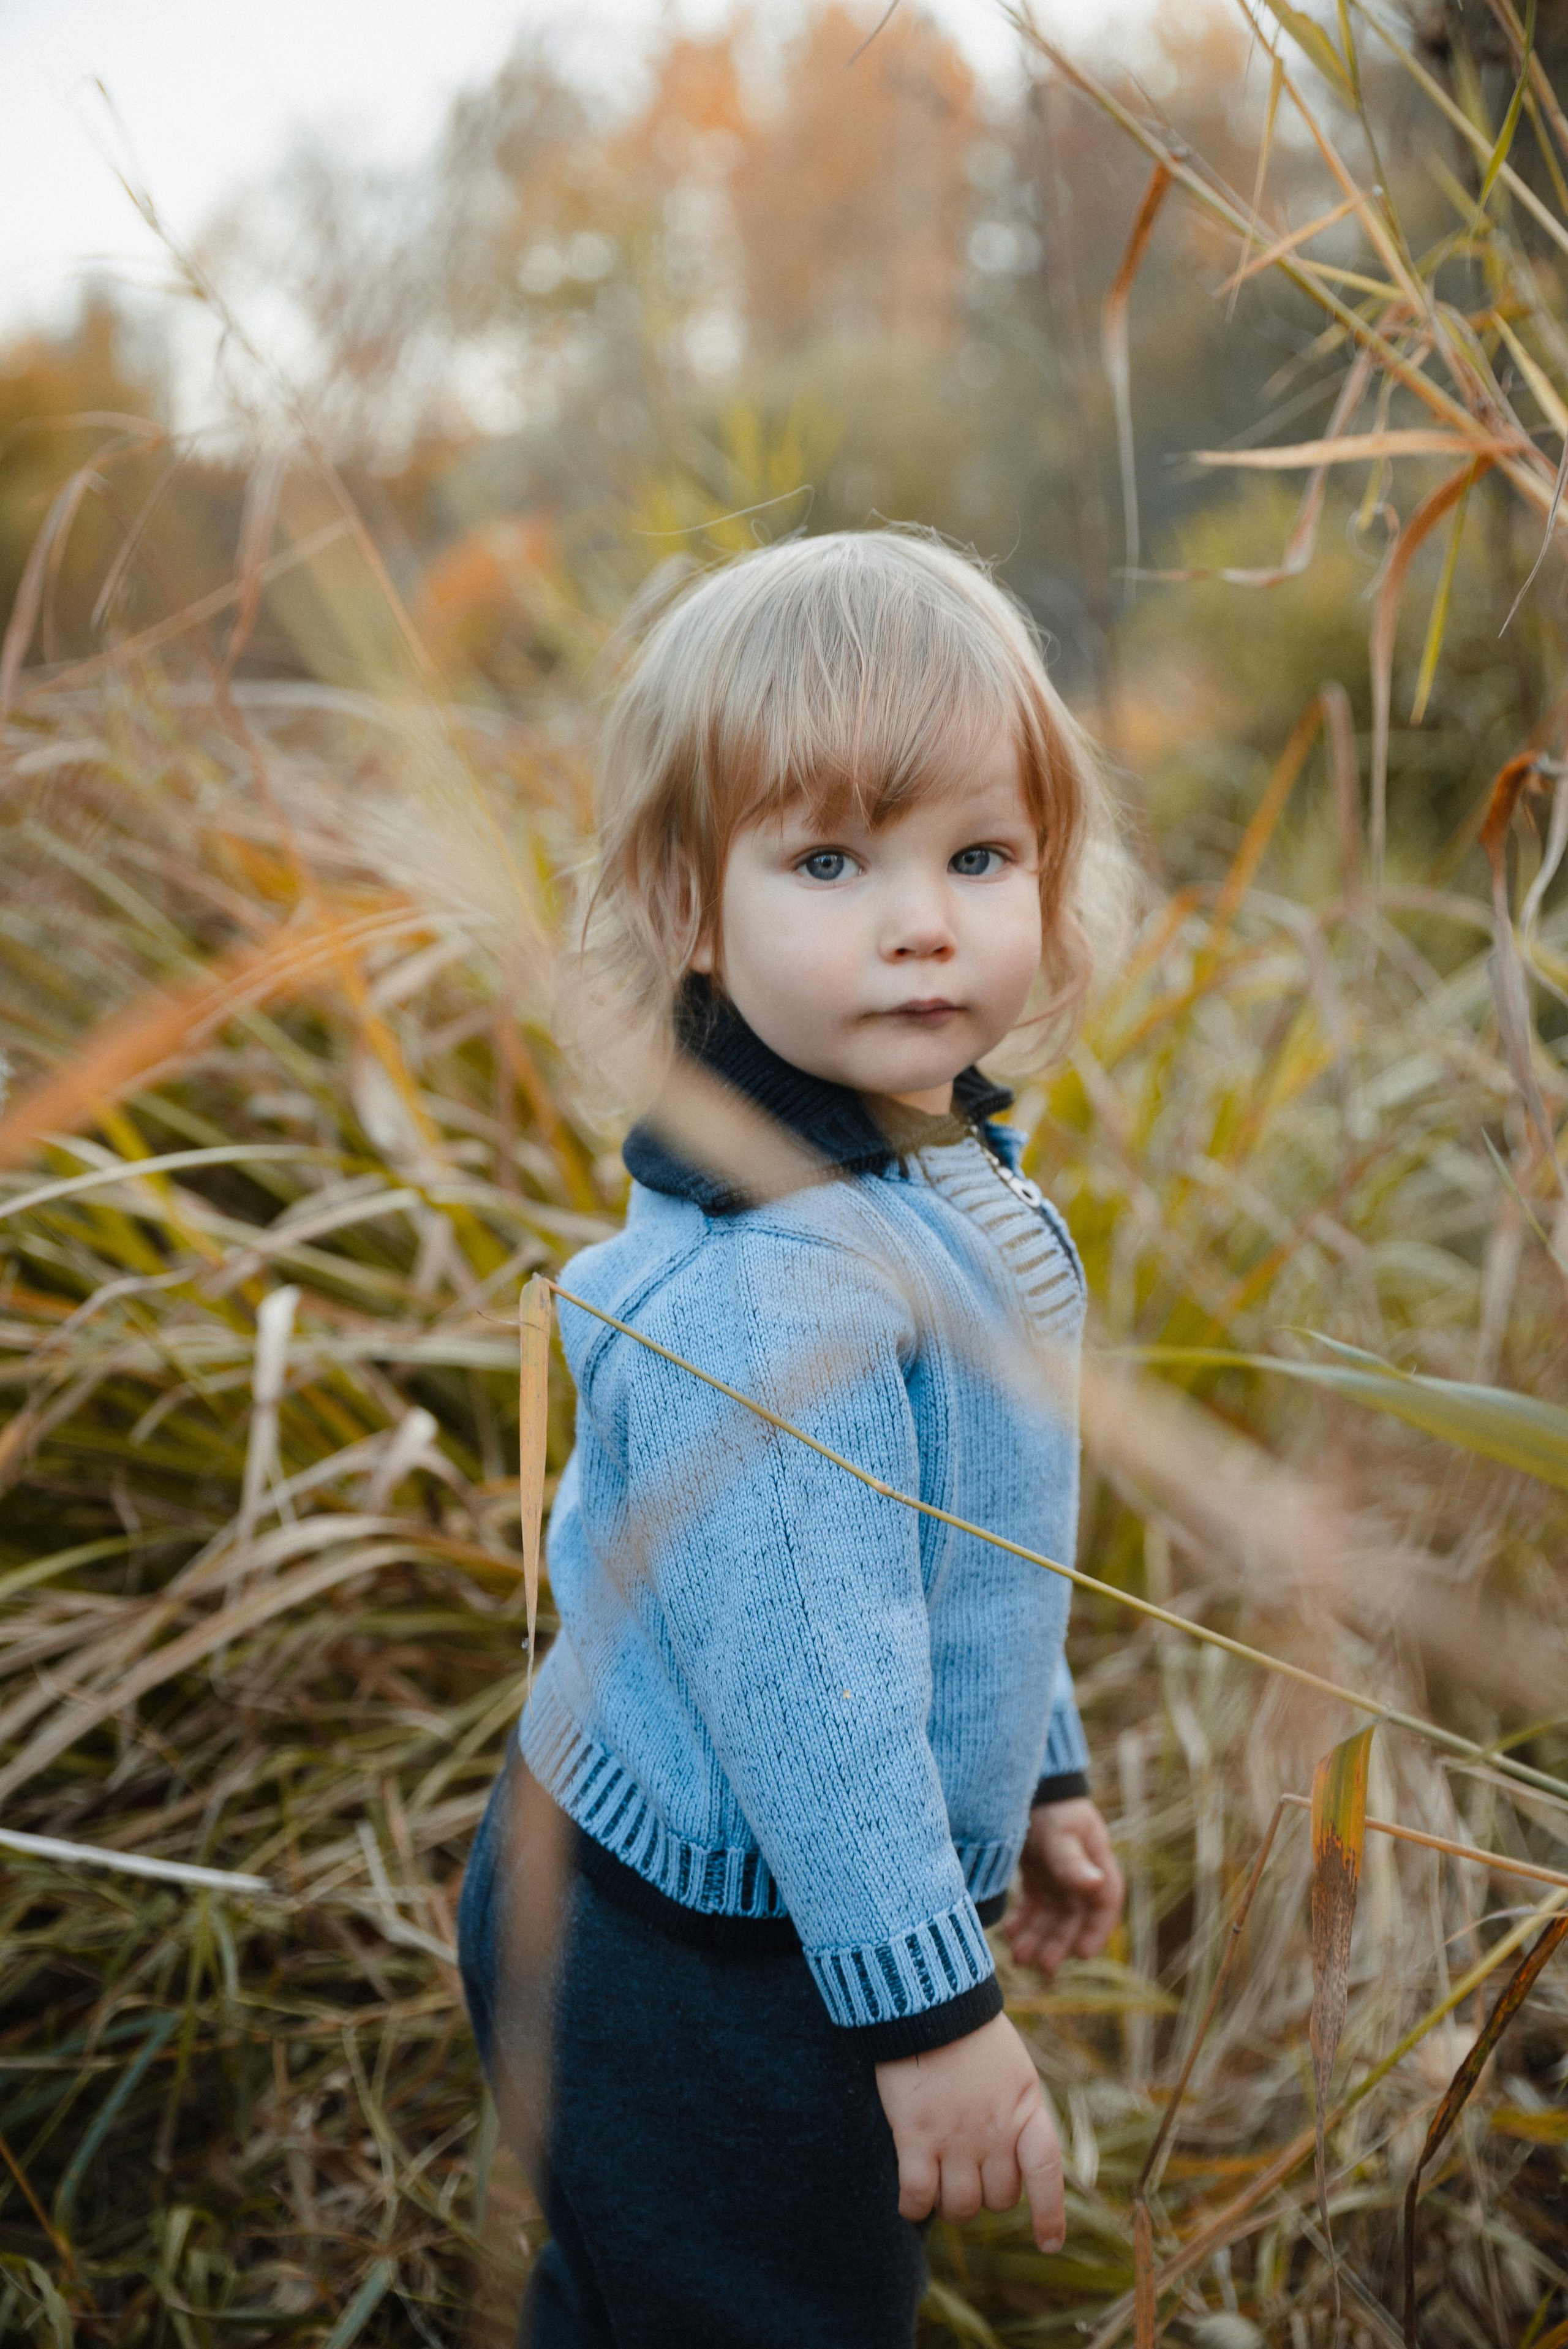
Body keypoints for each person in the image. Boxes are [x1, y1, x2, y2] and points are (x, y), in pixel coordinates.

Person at [458, 528, 1129, 2347]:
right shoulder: (779, 1294)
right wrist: (929, 2016)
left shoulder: (926, 1164)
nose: (923, 917)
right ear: (692, 905)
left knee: (680, 2289)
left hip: (777, 1922)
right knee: (755, 2305)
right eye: (832, 857)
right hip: (703, 1964)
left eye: (977, 855)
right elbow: (815, 1698)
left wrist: (1041, 1768)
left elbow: (964, 1544)